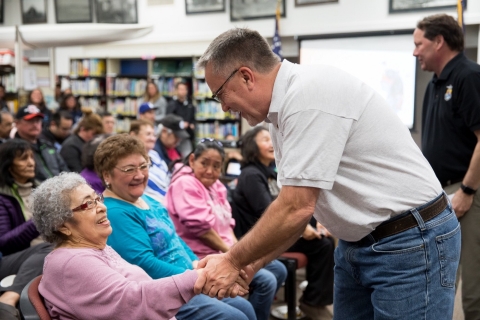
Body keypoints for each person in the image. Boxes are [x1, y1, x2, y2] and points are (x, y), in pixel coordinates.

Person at [193, 28, 460, 319]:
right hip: (360, 243)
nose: (224, 107)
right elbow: (295, 213)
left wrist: (232, 261)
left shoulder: (307, 95)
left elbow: (296, 207)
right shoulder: (279, 115)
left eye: (221, 94)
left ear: (246, 76)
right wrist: (251, 266)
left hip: (409, 242)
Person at [94, 135, 255, 320]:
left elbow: (175, 238)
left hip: (190, 279)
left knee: (244, 307)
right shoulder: (115, 212)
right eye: (129, 169)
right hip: (165, 291)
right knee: (236, 317)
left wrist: (196, 263)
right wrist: (199, 276)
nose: (139, 175)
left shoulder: (147, 200)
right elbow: (144, 264)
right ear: (107, 174)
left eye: (144, 166)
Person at [30, 172, 201, 320]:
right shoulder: (72, 262)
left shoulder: (94, 247)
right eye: (88, 204)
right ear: (62, 225)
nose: (103, 207)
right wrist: (198, 278)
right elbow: (133, 303)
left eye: (97, 199)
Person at [166, 138, 287, 320]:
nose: (210, 171)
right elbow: (203, 230)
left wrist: (239, 250)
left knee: (278, 269)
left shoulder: (217, 186)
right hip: (202, 256)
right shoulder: (185, 184)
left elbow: (227, 224)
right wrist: (234, 256)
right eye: (204, 163)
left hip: (222, 250)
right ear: (192, 161)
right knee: (266, 280)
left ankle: (254, 311)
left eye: (216, 166)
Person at [414, 14, 480, 319]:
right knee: (441, 280)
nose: (415, 52)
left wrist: (467, 190)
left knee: (473, 287)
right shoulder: (436, 83)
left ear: (439, 42)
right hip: (441, 195)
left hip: (468, 191)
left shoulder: (468, 76)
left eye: (419, 44)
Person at [233, 127, 334, 319]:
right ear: (251, 146)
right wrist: (304, 229)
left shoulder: (270, 173)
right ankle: (313, 302)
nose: (272, 143)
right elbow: (268, 211)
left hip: (275, 231)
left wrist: (316, 222)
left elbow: (292, 204)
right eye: (265, 140)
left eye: (272, 139)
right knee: (322, 246)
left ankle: (313, 300)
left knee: (325, 242)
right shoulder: (251, 175)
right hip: (258, 236)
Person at [0, 139, 52, 320]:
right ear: (8, 164)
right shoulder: (2, 195)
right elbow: (4, 243)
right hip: (13, 258)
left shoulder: (40, 188)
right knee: (51, 249)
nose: (31, 162)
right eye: (23, 158)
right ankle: (10, 296)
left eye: (32, 157)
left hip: (40, 253)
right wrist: (40, 220)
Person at [15, 105, 69, 182]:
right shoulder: (13, 150)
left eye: (38, 121)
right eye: (30, 121)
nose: (35, 124)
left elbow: (65, 170)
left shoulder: (47, 145)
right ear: (17, 123)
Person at [129, 120, 170, 204]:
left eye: (154, 135)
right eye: (148, 134)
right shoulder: (129, 160)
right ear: (133, 135)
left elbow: (167, 177)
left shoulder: (155, 154)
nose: (152, 138)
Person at [167, 82, 195, 155]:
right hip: (174, 136)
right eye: (180, 89)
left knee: (187, 155)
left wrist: (192, 124)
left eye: (184, 89)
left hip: (187, 135)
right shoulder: (171, 104)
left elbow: (192, 117)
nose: (182, 91)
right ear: (176, 90)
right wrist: (180, 124)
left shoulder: (190, 104)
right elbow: (168, 119)